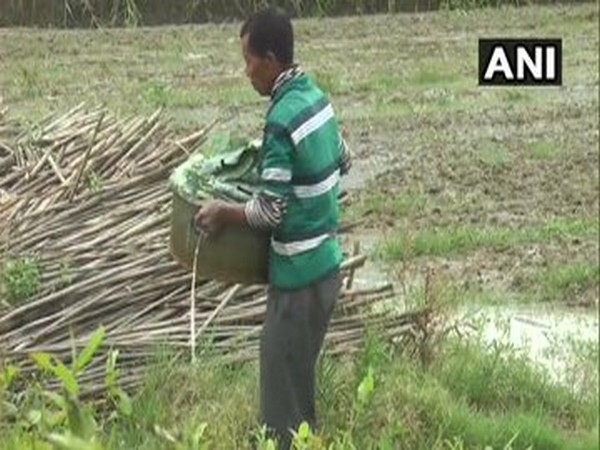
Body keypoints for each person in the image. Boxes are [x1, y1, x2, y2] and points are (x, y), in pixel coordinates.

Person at [194, 6, 351, 449]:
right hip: (327, 271)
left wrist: (224, 212)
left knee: (281, 404)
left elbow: (269, 214)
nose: (246, 72)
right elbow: (344, 158)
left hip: (297, 281)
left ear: (270, 59)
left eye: (248, 60)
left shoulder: (282, 118)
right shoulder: (317, 98)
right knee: (299, 386)